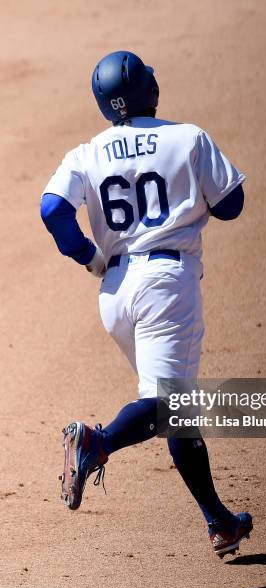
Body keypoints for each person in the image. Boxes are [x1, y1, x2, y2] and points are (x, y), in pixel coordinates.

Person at [41, 50, 252, 558]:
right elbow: (231, 205)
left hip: (115, 294)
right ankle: (96, 442)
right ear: (149, 91)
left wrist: (91, 258)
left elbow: (53, 210)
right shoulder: (187, 137)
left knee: (172, 410)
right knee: (168, 406)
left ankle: (219, 521)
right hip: (166, 285)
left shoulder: (86, 152)